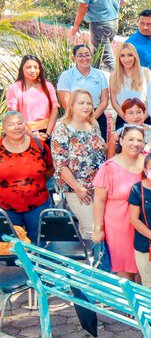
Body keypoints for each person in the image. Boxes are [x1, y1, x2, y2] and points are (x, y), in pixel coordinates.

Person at [51, 90, 108, 238]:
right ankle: (95, 260)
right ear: (72, 105)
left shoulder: (93, 125)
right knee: (92, 230)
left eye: (89, 103)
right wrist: (78, 188)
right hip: (78, 190)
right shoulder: (62, 129)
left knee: (98, 227)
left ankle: (89, 260)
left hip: (99, 187)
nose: (86, 106)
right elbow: (60, 164)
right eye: (81, 103)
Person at [92, 125, 146, 279]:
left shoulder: (148, 162)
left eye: (139, 140)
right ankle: (128, 302)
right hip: (119, 225)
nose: (135, 143)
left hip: (145, 224)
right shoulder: (109, 168)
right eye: (131, 139)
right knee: (125, 268)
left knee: (145, 269)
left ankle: (144, 302)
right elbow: (99, 200)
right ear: (121, 140)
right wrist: (98, 229)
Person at [0, 111, 54, 240]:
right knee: (11, 248)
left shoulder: (40, 145)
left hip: (38, 205)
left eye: (20, 123)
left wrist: (35, 184)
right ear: (4, 127)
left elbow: (50, 168)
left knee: (41, 244)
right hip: (6, 208)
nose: (17, 127)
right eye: (11, 124)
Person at [57, 44, 111, 137]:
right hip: (74, 117)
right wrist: (79, 119)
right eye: (80, 55)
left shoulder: (100, 75)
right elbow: (66, 102)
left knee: (100, 147)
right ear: (74, 58)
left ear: (91, 56)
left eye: (87, 54)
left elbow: (104, 101)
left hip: (97, 116)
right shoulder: (66, 76)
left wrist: (92, 119)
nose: (84, 58)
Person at [6, 55, 58, 140]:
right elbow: (14, 115)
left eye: (36, 67)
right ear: (22, 69)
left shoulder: (47, 86)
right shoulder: (15, 88)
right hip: (25, 134)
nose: (33, 70)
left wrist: (48, 133)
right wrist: (32, 135)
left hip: (49, 133)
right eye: (28, 67)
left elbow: (54, 109)